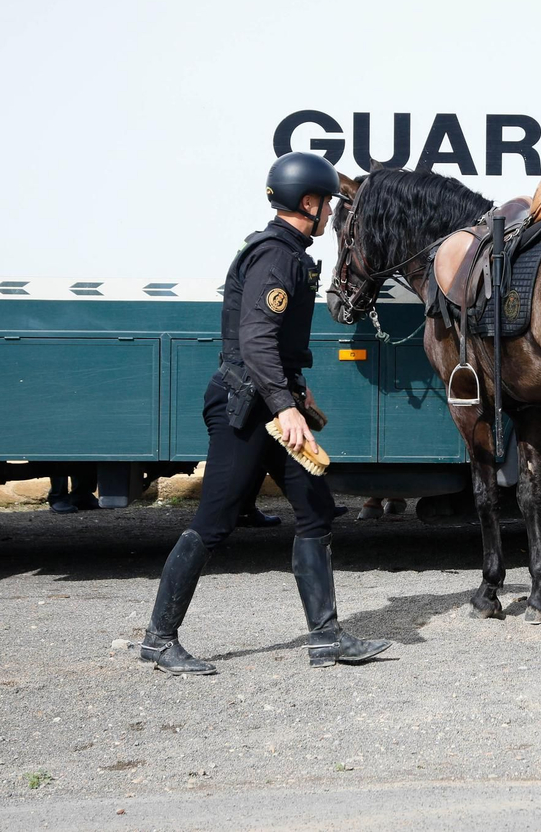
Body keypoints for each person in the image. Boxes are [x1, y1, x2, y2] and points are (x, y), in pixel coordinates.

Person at [139, 152, 391, 675]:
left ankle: (325, 638)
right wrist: (284, 404)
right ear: (309, 202)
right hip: (248, 408)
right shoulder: (277, 256)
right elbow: (256, 340)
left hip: (274, 402)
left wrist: (299, 392)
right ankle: (159, 640)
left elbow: (273, 345)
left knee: (315, 507)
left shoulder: (289, 252)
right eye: (327, 204)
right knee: (216, 521)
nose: (330, 215)